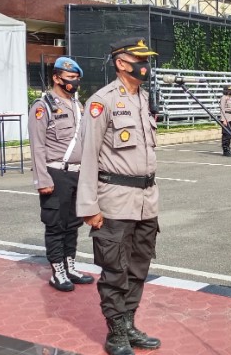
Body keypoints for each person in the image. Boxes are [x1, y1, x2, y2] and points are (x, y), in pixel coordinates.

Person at [76, 38, 161, 355]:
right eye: (140, 59)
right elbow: (88, 155)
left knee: (138, 269)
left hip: (146, 202)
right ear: (121, 63)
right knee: (115, 272)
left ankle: (128, 324)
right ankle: (115, 335)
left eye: (146, 59)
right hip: (114, 202)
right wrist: (88, 206)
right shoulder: (102, 101)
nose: (145, 64)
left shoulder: (144, 99)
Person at [28, 57, 93, 292]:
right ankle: (57, 271)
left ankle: (70, 265)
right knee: (55, 225)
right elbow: (37, 146)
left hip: (77, 174)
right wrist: (42, 179)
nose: (75, 83)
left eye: (77, 79)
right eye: (70, 78)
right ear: (57, 78)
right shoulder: (42, 106)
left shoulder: (78, 106)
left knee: (73, 224)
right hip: (55, 174)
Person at [219, 85, 231, 156]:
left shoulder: (230, 98)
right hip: (226, 117)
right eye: (229, 90)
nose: (230, 91)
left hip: (230, 117)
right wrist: (224, 120)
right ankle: (225, 150)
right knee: (226, 134)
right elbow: (222, 109)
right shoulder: (223, 98)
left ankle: (228, 149)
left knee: (230, 134)